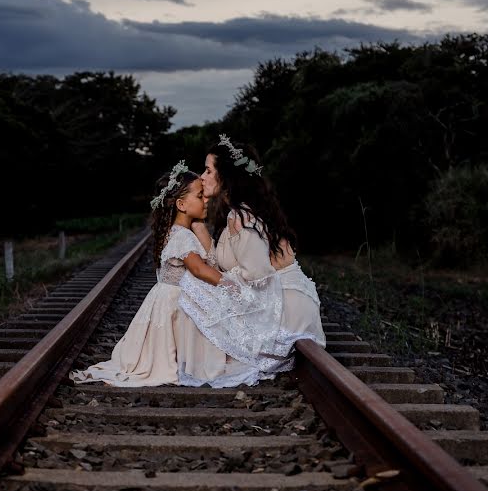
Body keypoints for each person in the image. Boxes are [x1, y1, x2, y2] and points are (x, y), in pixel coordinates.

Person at [70, 161, 257, 386]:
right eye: (199, 196)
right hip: (176, 303)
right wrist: (229, 284)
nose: (205, 200)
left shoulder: (177, 232)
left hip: (167, 299)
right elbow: (199, 269)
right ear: (181, 204)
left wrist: (200, 228)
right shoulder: (183, 236)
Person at [180, 135, 325, 379]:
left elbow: (258, 274)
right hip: (286, 300)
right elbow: (231, 262)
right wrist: (199, 228)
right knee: (204, 288)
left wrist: (221, 285)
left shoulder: (241, 217)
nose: (201, 177)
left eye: (207, 170)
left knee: (192, 288)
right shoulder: (243, 212)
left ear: (225, 175)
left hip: (285, 308)